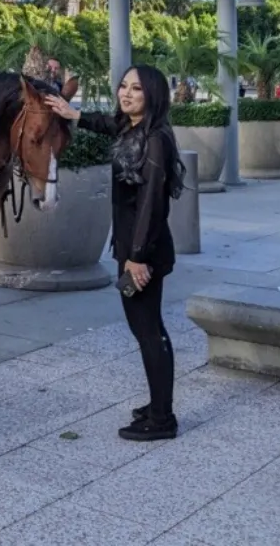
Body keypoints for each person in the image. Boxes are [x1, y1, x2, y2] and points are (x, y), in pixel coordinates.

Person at [44, 64, 186, 442]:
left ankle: (162, 419)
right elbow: (109, 124)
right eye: (123, 86)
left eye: (136, 89)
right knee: (148, 329)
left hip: (144, 253)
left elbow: (152, 205)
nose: (126, 94)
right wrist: (74, 114)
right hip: (134, 248)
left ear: (152, 95)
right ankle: (159, 406)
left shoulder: (154, 139)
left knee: (148, 332)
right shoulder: (133, 128)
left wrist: (136, 258)